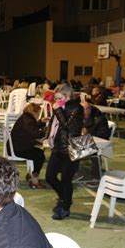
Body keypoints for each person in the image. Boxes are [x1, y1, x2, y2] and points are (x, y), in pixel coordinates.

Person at [44, 83, 83, 220]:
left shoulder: (77, 109)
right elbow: (54, 125)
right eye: (55, 98)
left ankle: (65, 207)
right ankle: (65, 198)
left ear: (67, 96)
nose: (56, 101)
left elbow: (68, 127)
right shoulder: (60, 107)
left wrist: (58, 110)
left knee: (66, 179)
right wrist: (48, 137)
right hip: (58, 147)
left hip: (71, 149)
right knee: (50, 176)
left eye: (59, 98)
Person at [10, 103, 47, 188]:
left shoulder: (25, 117)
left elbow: (32, 128)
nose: (38, 115)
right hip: (19, 149)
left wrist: (41, 122)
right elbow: (36, 133)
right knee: (40, 156)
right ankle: (34, 180)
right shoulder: (28, 120)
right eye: (38, 113)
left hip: (17, 145)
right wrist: (48, 132)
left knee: (38, 153)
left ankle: (32, 175)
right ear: (34, 112)